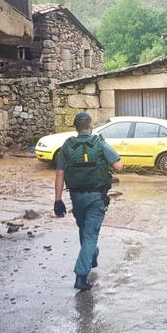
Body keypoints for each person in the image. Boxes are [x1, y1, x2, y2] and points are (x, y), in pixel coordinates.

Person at [54, 112, 123, 291]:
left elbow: (60, 173)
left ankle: (92, 256)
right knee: (90, 235)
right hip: (96, 198)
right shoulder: (99, 143)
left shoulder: (67, 146)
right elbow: (118, 166)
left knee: (85, 231)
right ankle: (81, 276)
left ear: (76, 127)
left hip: (76, 198)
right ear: (90, 125)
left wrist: (57, 200)